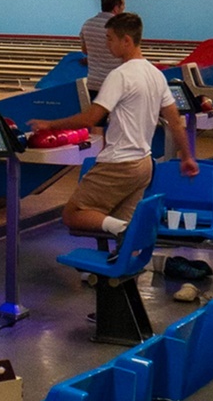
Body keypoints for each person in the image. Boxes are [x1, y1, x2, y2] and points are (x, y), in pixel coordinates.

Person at [29, 12, 195, 235]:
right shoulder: (156, 75)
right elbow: (175, 121)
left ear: (126, 40)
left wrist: (50, 125)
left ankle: (127, 230)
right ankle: (126, 259)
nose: (106, 44)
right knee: (118, 225)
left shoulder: (120, 75)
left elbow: (91, 118)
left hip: (119, 163)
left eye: (109, 38)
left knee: (73, 213)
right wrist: (186, 157)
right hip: (144, 163)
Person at [81, 0, 127, 95]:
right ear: (116, 8)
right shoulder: (120, 27)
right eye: (123, 4)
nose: (124, 8)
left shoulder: (87, 24)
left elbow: (85, 50)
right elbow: (128, 55)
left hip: (93, 84)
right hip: (115, 85)